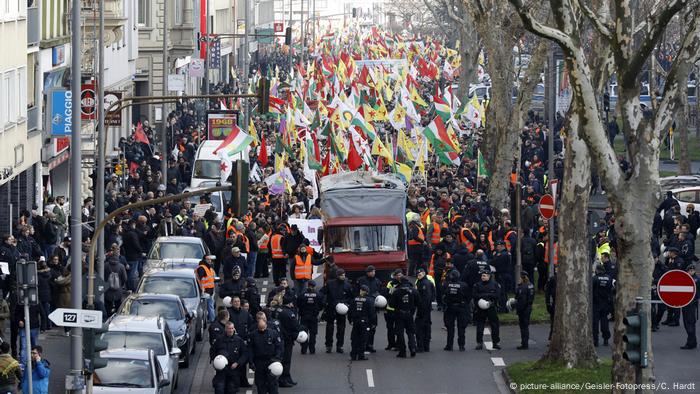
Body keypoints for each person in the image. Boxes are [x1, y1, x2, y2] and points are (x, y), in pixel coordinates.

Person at [320, 268, 353, 354]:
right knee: (329, 328)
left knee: (341, 328)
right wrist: (324, 303)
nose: (343, 276)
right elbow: (322, 292)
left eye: (344, 275)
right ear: (337, 276)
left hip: (342, 309)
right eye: (342, 275)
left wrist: (346, 304)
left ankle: (339, 346)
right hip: (331, 308)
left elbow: (351, 297)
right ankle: (328, 346)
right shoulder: (330, 283)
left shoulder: (347, 285)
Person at [248, 316, 283, 394]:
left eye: (263, 327)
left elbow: (279, 347)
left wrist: (277, 358)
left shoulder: (273, 333)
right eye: (260, 328)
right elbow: (250, 350)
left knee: (273, 385)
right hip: (259, 362)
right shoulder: (253, 335)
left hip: (271, 361)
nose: (262, 330)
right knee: (260, 385)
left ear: (266, 325)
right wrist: (251, 362)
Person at [211, 322, 248, 394]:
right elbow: (212, 351)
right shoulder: (219, 340)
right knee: (219, 389)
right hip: (221, 370)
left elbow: (245, 354)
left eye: (232, 328)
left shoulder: (239, 341)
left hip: (233, 370)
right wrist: (214, 361)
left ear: (234, 329)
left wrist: (238, 363)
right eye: (229, 328)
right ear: (225, 329)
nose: (230, 330)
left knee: (231, 389)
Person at [277, 293, 302, 387]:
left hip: (280, 338)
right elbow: (295, 326)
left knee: (282, 360)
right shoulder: (289, 313)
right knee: (286, 361)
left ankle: (287, 377)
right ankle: (284, 379)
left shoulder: (279, 310)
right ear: (290, 303)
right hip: (287, 339)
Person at [473, 270, 501, 350]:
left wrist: (486, 296)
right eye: (482, 276)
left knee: (495, 325)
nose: (482, 277)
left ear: (489, 276)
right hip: (480, 308)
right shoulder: (477, 285)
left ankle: (495, 343)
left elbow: (497, 295)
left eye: (484, 276)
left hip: (491, 307)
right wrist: (486, 297)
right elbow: (474, 295)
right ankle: (479, 343)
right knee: (480, 325)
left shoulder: (495, 285)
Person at [391, 277, 418, 358]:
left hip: (399, 314)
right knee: (411, 332)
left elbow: (392, 304)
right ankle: (413, 348)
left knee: (400, 333)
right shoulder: (413, 291)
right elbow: (418, 302)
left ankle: (402, 352)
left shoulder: (397, 291)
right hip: (409, 314)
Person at [442, 270, 469, 351]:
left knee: (450, 328)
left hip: (450, 307)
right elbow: (468, 297)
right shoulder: (463, 285)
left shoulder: (446, 284)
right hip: (461, 307)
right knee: (461, 327)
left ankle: (449, 345)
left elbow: (442, 295)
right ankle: (461, 345)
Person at [356, 265, 381, 352]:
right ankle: (362, 345)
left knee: (372, 328)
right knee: (363, 328)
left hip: (373, 308)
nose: (373, 273)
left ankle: (370, 345)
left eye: (374, 271)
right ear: (367, 272)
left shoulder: (377, 281)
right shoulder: (361, 280)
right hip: (363, 309)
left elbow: (379, 292)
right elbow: (356, 293)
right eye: (371, 271)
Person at [349, 285, 376, 361]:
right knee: (363, 339)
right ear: (367, 292)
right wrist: (373, 323)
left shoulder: (354, 299)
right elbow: (372, 313)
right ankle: (361, 355)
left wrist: (350, 320)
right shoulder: (369, 300)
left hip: (356, 321)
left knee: (354, 338)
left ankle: (353, 355)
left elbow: (350, 311)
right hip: (365, 322)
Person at [297, 280, 324, 355]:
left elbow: (298, 304)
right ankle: (312, 349)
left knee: (304, 333)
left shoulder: (302, 295)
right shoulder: (318, 295)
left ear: (308, 285)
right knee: (313, 334)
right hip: (313, 317)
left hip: (304, 316)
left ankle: (304, 349)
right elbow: (321, 305)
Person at [591, 264, 613, 347]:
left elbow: (591, 290)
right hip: (606, 304)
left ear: (597, 270)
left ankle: (595, 340)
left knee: (595, 323)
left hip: (596, 304)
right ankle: (606, 339)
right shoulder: (609, 278)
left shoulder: (594, 279)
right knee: (605, 322)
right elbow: (611, 290)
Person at [414, 268, 435, 352]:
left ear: (423, 274)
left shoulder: (424, 284)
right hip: (426, 309)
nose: (418, 276)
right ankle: (426, 347)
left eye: (420, 275)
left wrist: (421, 306)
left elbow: (426, 298)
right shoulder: (427, 282)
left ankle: (421, 347)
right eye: (417, 275)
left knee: (419, 328)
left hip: (423, 309)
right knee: (426, 327)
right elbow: (433, 294)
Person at [515, 271, 535, 349]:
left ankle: (524, 344)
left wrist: (518, 310)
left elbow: (521, 300)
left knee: (523, 327)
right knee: (525, 326)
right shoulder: (531, 285)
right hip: (529, 307)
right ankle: (524, 343)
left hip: (523, 309)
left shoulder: (522, 287)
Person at [383, 269, 402, 351]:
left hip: (399, 309)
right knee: (390, 328)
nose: (398, 276)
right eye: (397, 275)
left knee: (398, 328)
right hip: (389, 309)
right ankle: (391, 344)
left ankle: (398, 345)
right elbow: (386, 295)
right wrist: (392, 291)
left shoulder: (404, 283)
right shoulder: (390, 283)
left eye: (400, 275)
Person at [104, 250, 128, 316]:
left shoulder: (105, 265)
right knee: (118, 304)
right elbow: (125, 278)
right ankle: (117, 316)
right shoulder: (121, 266)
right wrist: (121, 284)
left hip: (107, 289)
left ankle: (108, 316)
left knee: (107, 304)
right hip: (118, 289)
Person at [681, 264, 699, 349]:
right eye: (689, 270)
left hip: (691, 305)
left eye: (692, 270)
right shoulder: (686, 278)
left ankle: (690, 343)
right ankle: (693, 342)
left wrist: (695, 299)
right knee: (687, 323)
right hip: (686, 304)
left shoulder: (696, 280)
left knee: (689, 324)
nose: (691, 271)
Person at [196, 256, 216, 323]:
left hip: (209, 290)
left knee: (209, 306)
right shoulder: (202, 268)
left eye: (210, 259)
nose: (210, 261)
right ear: (204, 260)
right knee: (207, 306)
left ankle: (211, 319)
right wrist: (202, 289)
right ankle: (211, 319)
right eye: (208, 259)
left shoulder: (208, 267)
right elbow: (199, 279)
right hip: (205, 291)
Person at [544, 266, 558, 340]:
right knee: (553, 321)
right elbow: (548, 292)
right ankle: (552, 337)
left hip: (557, 302)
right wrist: (548, 303)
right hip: (554, 303)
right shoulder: (552, 279)